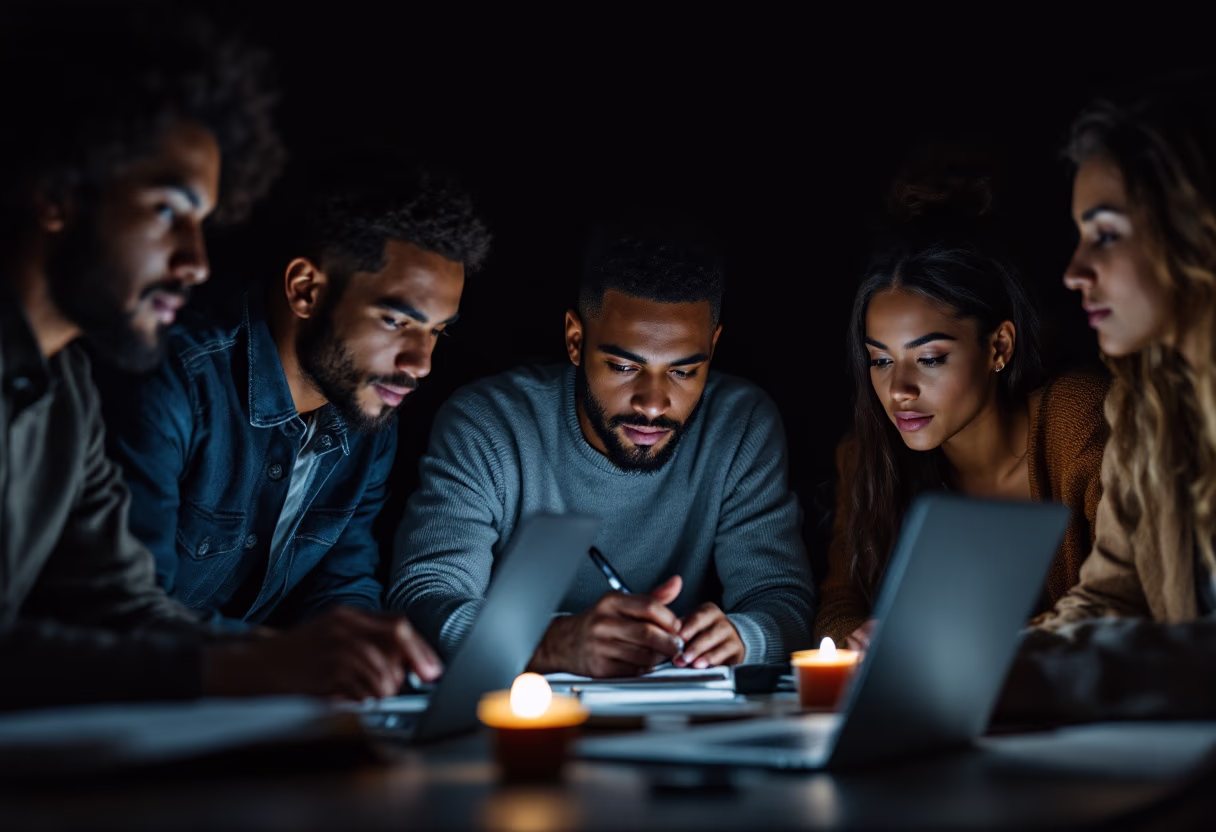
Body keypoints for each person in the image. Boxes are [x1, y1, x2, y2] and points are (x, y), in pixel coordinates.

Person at [0, 10, 437, 708]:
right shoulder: (161, 377)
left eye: (202, 224)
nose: (196, 263)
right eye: (168, 212)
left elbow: (120, 606)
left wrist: (300, 659)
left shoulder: (68, 385)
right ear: (57, 194)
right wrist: (249, 672)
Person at [387, 229, 815, 677]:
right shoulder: (489, 423)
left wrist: (744, 638)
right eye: (625, 367)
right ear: (575, 339)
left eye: (684, 371)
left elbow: (783, 602)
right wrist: (550, 644)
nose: (652, 403)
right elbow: (422, 598)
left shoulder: (740, 424)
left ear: (714, 347)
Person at [96, 162, 491, 631]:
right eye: (395, 322)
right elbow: (125, 613)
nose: (420, 363)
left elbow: (342, 587)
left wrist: (367, 652)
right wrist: (281, 659)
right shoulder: (176, 380)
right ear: (305, 290)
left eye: (437, 332)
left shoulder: (367, 409)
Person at [814, 176, 1109, 651]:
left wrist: (952, 643)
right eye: (881, 360)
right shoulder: (869, 454)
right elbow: (839, 602)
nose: (899, 391)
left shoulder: (1077, 420)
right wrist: (857, 642)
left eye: (929, 359)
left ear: (999, 346)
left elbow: (1125, 601)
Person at [1000, 79, 1216, 722]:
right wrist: (982, 660)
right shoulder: (1146, 414)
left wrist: (1064, 675)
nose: (1074, 272)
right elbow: (1109, 598)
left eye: (1107, 234)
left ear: (1195, 231)